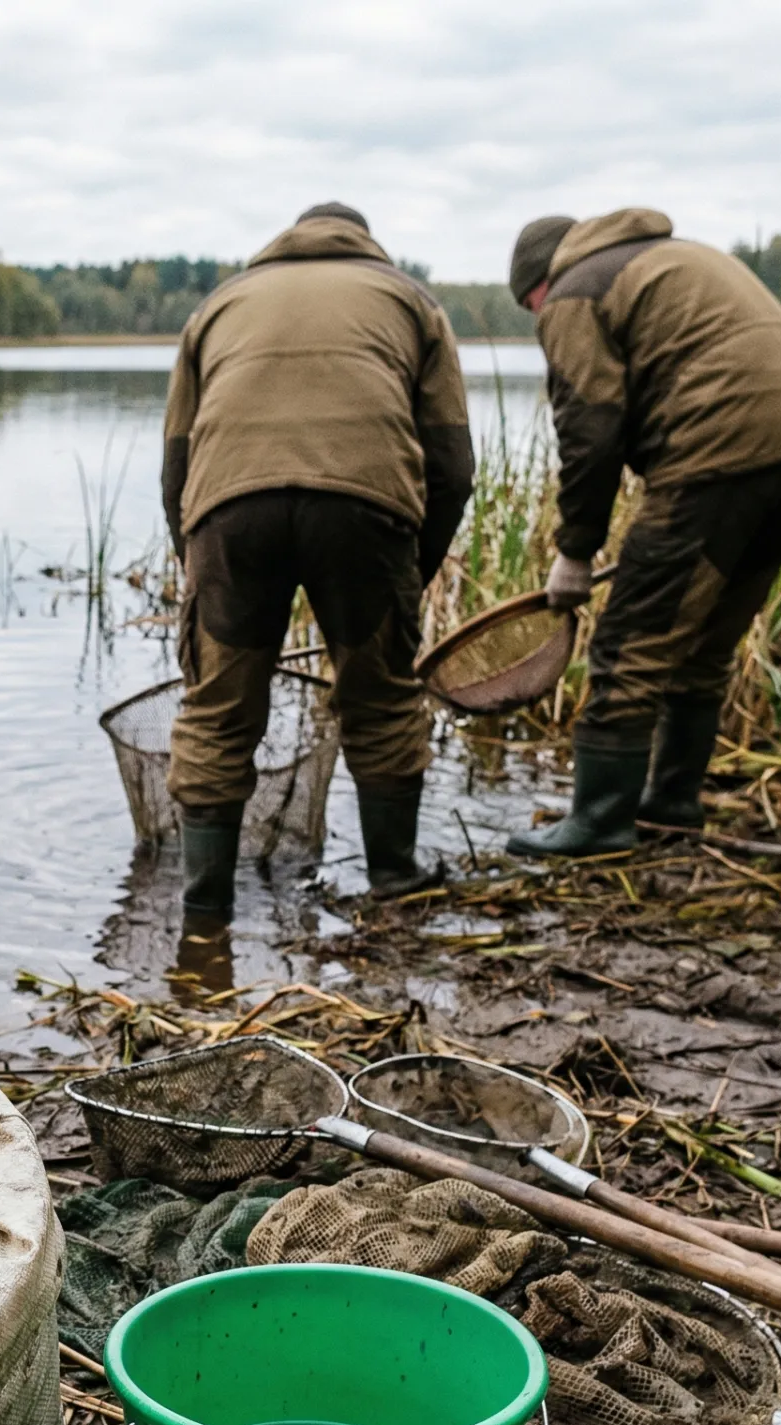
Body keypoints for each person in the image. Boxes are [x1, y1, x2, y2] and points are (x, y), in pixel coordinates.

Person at [162, 202, 474, 917]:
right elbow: (453, 463)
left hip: (228, 512)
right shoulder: (411, 300)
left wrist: (196, 560)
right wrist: (410, 576)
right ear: (367, 240)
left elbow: (176, 464)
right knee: (382, 699)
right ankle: (394, 883)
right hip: (367, 511)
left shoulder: (221, 303)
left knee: (217, 711)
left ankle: (204, 915)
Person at [505, 209, 781, 856]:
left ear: (539, 285)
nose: (538, 320)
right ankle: (672, 806)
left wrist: (574, 550)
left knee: (631, 640)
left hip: (720, 443)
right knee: (702, 641)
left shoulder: (576, 290)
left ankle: (600, 822)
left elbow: (590, 431)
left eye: (530, 307)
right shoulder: (669, 257)